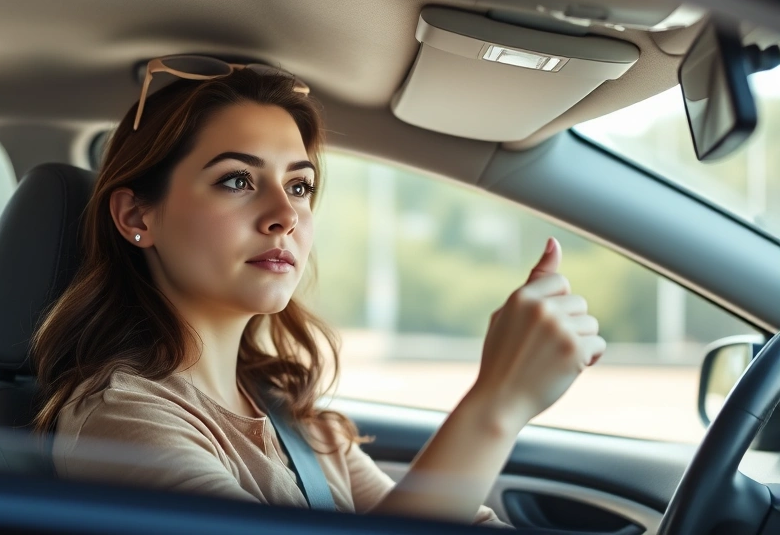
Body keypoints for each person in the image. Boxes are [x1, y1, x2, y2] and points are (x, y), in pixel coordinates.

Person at [32, 56, 604, 527]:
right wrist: (497, 405)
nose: (286, 213)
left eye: (300, 185)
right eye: (237, 180)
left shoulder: (290, 411)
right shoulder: (124, 423)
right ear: (138, 215)